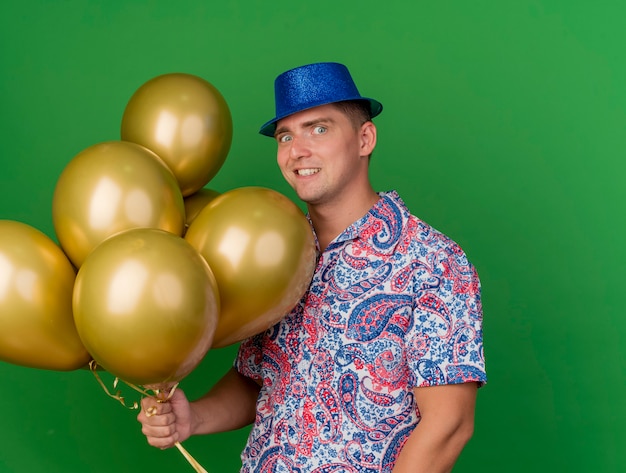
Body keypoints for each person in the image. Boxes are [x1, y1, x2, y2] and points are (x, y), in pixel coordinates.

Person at [138, 62, 487, 472]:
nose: (297, 150)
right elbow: (257, 380)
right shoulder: (274, 258)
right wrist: (192, 417)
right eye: (286, 135)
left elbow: (450, 423)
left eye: (318, 129)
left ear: (364, 138)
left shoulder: (432, 260)